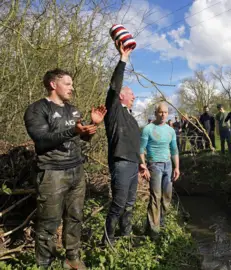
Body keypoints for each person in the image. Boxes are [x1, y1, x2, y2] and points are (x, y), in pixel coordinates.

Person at [24, 68, 106, 269]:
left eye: (72, 84)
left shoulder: (73, 110)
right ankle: (44, 264)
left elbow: (80, 137)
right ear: (53, 84)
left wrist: (91, 127)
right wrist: (72, 131)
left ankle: (72, 259)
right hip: (52, 173)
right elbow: (42, 141)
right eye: (67, 84)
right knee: (48, 223)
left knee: (75, 217)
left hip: (76, 172)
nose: (72, 87)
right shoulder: (37, 109)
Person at [103, 41, 145, 245]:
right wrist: (123, 59)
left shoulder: (132, 118)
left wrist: (141, 163)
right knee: (118, 205)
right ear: (121, 96)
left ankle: (125, 237)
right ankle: (107, 242)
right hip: (119, 163)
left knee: (129, 204)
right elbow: (114, 85)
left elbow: (135, 143)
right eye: (131, 94)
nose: (135, 96)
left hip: (132, 165)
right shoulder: (114, 111)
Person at [140, 103, 180, 238]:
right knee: (155, 197)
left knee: (167, 197)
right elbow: (140, 150)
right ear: (156, 113)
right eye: (160, 112)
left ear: (168, 114)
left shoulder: (171, 130)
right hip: (154, 165)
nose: (163, 114)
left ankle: (160, 223)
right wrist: (143, 165)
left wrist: (177, 168)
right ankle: (153, 230)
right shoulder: (148, 129)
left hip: (168, 165)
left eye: (165, 112)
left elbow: (174, 150)